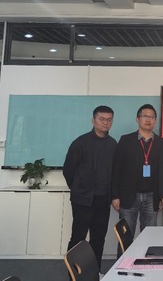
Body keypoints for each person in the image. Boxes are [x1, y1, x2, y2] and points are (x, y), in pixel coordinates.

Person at [63, 105, 117, 273]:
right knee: (78, 239)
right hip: (83, 200)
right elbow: (68, 170)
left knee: (98, 239)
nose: (105, 123)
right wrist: (79, 189)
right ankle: (73, 274)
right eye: (101, 119)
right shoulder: (80, 143)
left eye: (109, 120)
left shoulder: (113, 144)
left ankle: (95, 273)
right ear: (93, 121)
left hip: (103, 201)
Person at [111, 104, 163, 241]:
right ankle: (126, 257)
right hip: (128, 196)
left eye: (152, 117)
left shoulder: (161, 143)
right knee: (126, 238)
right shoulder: (126, 140)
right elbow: (116, 169)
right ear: (137, 119)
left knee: (149, 238)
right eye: (145, 116)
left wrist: (161, 195)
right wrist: (115, 196)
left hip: (152, 197)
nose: (148, 119)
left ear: (155, 120)